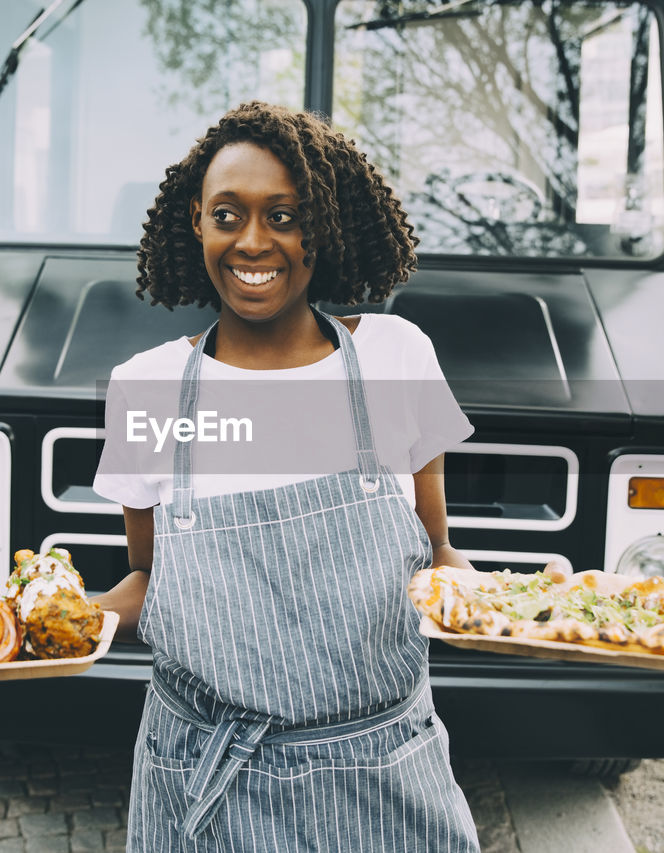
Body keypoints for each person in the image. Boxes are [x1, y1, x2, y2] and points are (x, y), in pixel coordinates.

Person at [92, 101, 480, 851]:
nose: (253, 241)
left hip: (384, 776)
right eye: (228, 215)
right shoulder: (147, 387)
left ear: (322, 227)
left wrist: (499, 607)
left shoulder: (398, 358)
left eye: (284, 215)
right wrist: (51, 628)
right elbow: (147, 577)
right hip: (206, 787)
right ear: (195, 226)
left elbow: (438, 555)